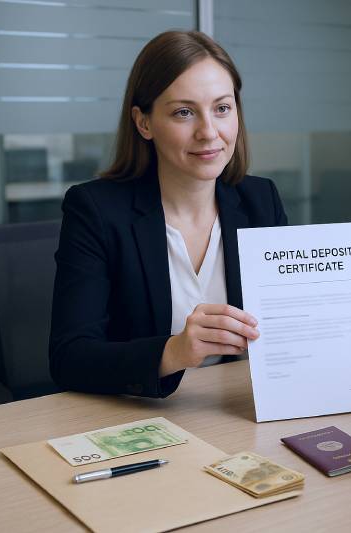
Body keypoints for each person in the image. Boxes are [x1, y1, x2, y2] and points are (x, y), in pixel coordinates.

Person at [49, 31, 287, 398]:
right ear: (143, 122)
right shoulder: (95, 210)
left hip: (237, 407)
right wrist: (174, 352)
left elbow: (287, 324)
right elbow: (70, 358)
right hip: (141, 416)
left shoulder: (260, 199)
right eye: (184, 112)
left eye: (222, 108)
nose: (209, 132)